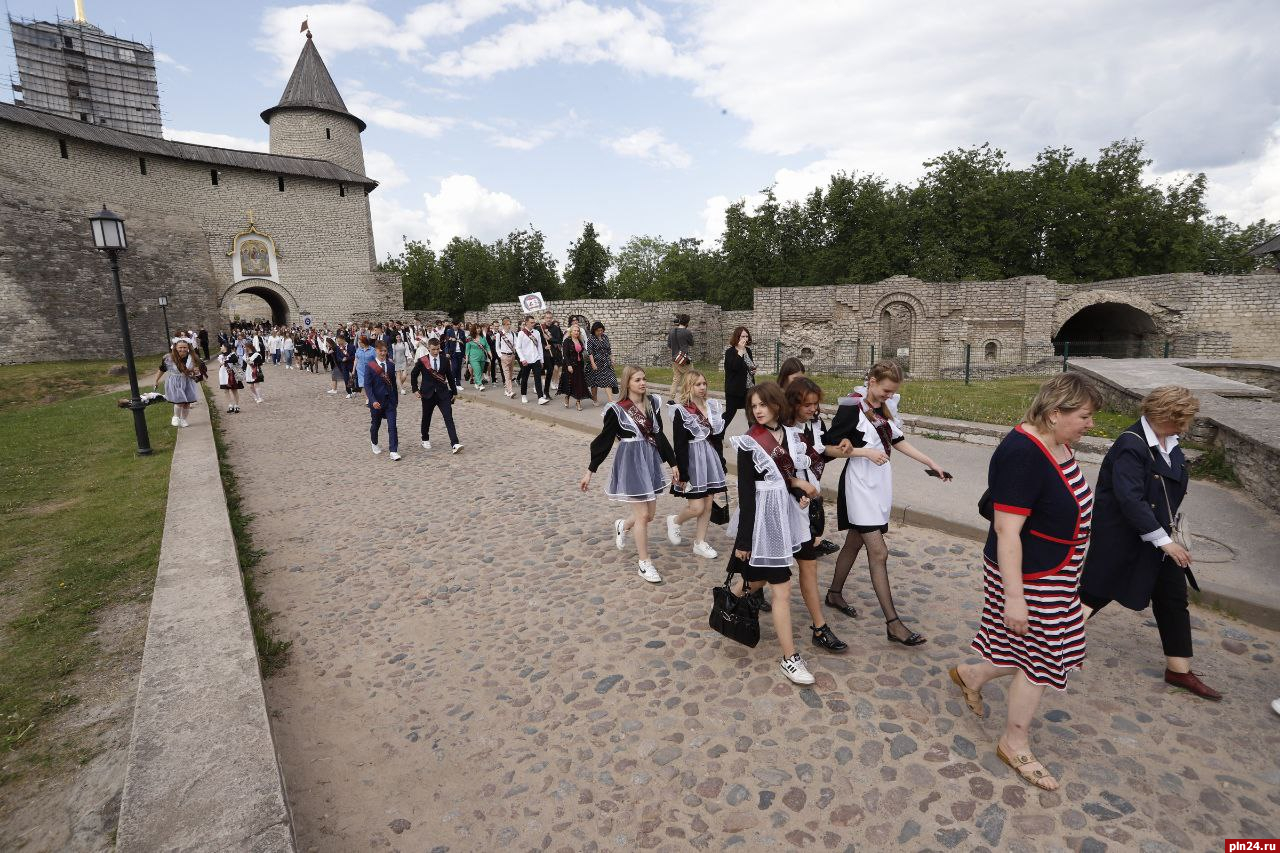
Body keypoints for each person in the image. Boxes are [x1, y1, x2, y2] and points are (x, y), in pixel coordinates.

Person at [949, 373, 1100, 792]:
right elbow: (1007, 530)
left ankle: (971, 675)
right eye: (1084, 416)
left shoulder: (1057, 441)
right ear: (1056, 413)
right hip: (1030, 573)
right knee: (1043, 657)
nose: (1091, 424)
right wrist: (1014, 598)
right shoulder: (1023, 453)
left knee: (1038, 647)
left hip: (1055, 568)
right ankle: (1014, 742)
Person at [1079, 386, 1220, 699]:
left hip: (1158, 537)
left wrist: (1165, 539)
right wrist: (1164, 542)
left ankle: (1179, 670)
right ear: (1166, 416)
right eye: (1182, 419)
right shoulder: (1132, 445)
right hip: (1122, 536)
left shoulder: (1171, 442)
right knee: (1095, 592)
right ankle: (1052, 643)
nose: (1186, 426)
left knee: (1173, 597)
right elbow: (1130, 499)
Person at [823, 360, 950, 645]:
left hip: (879, 485)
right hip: (859, 485)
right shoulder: (850, 406)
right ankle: (893, 623)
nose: (888, 396)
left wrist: (931, 462)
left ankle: (833, 593)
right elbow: (829, 447)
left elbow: (897, 441)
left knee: (855, 542)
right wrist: (862, 452)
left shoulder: (884, 408)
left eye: (892, 392)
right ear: (871, 381)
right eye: (885, 390)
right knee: (879, 552)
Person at [727, 381, 821, 684]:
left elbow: (787, 477)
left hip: (787, 516)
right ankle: (790, 659)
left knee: (756, 580)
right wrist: (744, 540)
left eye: (762, 405)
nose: (758, 411)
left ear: (776, 403)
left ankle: (730, 601)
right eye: (753, 407)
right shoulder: (749, 442)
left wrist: (798, 492)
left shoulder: (793, 436)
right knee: (782, 589)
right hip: (764, 522)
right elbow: (746, 492)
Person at [580, 366, 681, 584]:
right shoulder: (616, 409)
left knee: (650, 514)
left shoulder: (652, 403)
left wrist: (673, 462)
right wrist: (590, 471)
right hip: (630, 462)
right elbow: (604, 441)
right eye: (637, 380)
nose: (642, 383)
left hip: (649, 460)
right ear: (628, 383)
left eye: (644, 379)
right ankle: (644, 563)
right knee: (643, 516)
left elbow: (658, 434)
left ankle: (623, 526)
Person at [785, 377, 851, 651]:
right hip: (786, 504)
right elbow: (778, 470)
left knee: (808, 564)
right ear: (793, 404)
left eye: (815, 404)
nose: (813, 409)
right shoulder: (782, 429)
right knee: (763, 574)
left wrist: (845, 448)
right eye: (807, 405)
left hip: (806, 506)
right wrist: (798, 486)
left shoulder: (815, 425)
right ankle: (735, 598)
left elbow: (822, 452)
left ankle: (819, 627)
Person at [778, 358, 840, 556]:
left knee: (805, 557)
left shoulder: (813, 419)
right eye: (795, 379)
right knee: (778, 550)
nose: (813, 408)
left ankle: (813, 542)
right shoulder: (778, 420)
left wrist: (852, 449)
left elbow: (821, 450)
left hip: (807, 486)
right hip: (788, 491)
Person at [665, 370, 727, 559]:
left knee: (708, 504)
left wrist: (720, 462)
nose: (702, 388)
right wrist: (682, 472)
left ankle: (700, 542)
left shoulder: (713, 407)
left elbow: (717, 439)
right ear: (688, 387)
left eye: (704, 384)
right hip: (692, 460)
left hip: (709, 459)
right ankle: (675, 521)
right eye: (697, 384)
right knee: (696, 507)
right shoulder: (682, 411)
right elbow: (680, 444)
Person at [411, 337, 463, 453]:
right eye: (433, 349)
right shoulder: (422, 360)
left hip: (443, 394)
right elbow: (413, 375)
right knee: (426, 417)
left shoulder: (444, 360)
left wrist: (454, 392)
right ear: (428, 348)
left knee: (448, 417)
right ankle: (425, 438)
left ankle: (455, 443)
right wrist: (415, 389)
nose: (435, 352)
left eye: (438, 349)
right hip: (427, 394)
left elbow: (449, 376)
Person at [153, 339, 201, 427]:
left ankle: (183, 420)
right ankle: (175, 417)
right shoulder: (169, 358)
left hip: (188, 381)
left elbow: (197, 370)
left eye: (184, 347)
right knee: (179, 401)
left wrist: (196, 372)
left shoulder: (192, 357)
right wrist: (156, 380)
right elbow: (162, 369)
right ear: (175, 347)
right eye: (180, 347)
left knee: (187, 402)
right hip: (175, 382)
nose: (182, 349)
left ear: (188, 348)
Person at [365, 341, 401, 461]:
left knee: (392, 426)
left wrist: (395, 400)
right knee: (376, 425)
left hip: (390, 401)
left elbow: (393, 385)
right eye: (381, 351)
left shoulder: (390, 365)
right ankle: (374, 442)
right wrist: (373, 400)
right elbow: (368, 386)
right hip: (376, 402)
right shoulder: (370, 365)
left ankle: (393, 450)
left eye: (385, 351)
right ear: (376, 350)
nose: (383, 353)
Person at [723, 326, 756, 430]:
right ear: (737, 337)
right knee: (729, 414)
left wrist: (752, 370)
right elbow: (735, 367)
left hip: (749, 388)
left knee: (751, 414)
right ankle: (718, 435)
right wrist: (740, 350)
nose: (745, 339)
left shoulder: (748, 351)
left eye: (746, 336)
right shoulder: (730, 352)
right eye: (742, 336)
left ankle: (753, 437)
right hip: (734, 390)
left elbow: (748, 366)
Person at [515, 316, 550, 405]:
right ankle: (523, 395)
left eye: (534, 322)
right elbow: (518, 348)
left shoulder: (537, 332)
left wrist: (541, 360)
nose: (533, 324)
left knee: (538, 378)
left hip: (536, 359)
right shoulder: (521, 333)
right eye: (531, 322)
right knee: (525, 379)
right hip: (526, 360)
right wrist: (522, 359)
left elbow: (539, 347)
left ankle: (540, 397)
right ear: (526, 322)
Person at [559, 323, 591, 410]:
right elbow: (565, 354)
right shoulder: (567, 341)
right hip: (570, 365)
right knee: (570, 383)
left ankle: (578, 402)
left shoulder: (580, 341)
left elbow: (581, 353)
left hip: (579, 365)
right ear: (571, 332)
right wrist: (569, 365)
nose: (576, 332)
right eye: (575, 331)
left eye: (578, 331)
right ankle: (567, 397)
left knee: (579, 384)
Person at [586, 321, 618, 404]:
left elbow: (609, 350)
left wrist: (612, 358)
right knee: (594, 382)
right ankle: (595, 399)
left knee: (608, 380)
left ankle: (611, 400)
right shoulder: (591, 339)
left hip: (606, 362)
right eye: (598, 331)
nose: (600, 332)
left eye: (601, 330)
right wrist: (593, 363)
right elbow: (590, 352)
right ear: (594, 330)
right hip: (596, 363)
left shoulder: (605, 337)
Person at [667, 313, 695, 397]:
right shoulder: (687, 332)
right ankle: (685, 398)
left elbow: (669, 345)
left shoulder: (672, 331)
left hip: (674, 359)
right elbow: (691, 343)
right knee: (690, 377)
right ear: (687, 323)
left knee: (676, 379)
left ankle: (671, 399)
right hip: (683, 359)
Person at [496, 318, 519, 398]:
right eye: (507, 324)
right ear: (503, 325)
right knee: (507, 374)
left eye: (510, 324)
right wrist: (500, 356)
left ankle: (506, 390)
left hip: (512, 355)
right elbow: (497, 347)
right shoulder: (499, 334)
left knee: (510, 374)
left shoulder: (512, 334)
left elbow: (516, 344)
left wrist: (515, 351)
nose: (509, 326)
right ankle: (510, 391)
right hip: (504, 356)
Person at [540, 311, 563, 391]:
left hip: (553, 352)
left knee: (553, 369)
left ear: (552, 318)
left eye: (550, 318)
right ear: (544, 318)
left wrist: (550, 339)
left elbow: (559, 340)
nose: (548, 319)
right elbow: (537, 342)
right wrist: (544, 346)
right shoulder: (540, 328)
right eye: (547, 318)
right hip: (544, 352)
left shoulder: (556, 328)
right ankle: (538, 386)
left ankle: (551, 383)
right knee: (543, 369)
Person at [216, 344, 243, 413]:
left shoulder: (232, 354)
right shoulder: (221, 356)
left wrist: (225, 361)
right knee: (226, 390)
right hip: (223, 374)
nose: (220, 347)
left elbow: (235, 360)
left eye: (222, 346)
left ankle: (237, 405)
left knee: (234, 390)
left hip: (231, 374)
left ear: (225, 347)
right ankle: (230, 405)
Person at [465, 325, 490, 391]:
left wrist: (490, 353)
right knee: (477, 369)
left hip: (482, 357)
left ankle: (476, 383)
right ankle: (480, 384)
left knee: (481, 371)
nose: (478, 329)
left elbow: (487, 346)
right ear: (473, 329)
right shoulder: (469, 338)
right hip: (473, 358)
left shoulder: (482, 337)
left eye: (479, 328)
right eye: (476, 328)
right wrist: (467, 357)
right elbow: (467, 349)